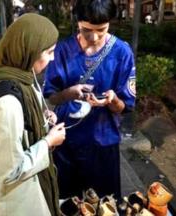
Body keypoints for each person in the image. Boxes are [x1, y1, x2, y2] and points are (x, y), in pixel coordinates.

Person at [0, 13, 66, 216]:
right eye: (49, 52)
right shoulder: (7, 103)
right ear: (29, 51)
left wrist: (43, 119)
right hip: (15, 202)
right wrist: (49, 142)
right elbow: (9, 172)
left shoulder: (19, 78)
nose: (52, 58)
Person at [44, 0, 136, 200]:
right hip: (66, 142)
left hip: (103, 143)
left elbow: (125, 106)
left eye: (101, 30)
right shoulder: (62, 51)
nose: (94, 37)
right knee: (67, 203)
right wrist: (70, 93)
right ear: (77, 22)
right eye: (87, 30)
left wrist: (112, 101)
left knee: (106, 204)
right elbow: (52, 97)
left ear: (110, 23)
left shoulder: (122, 52)